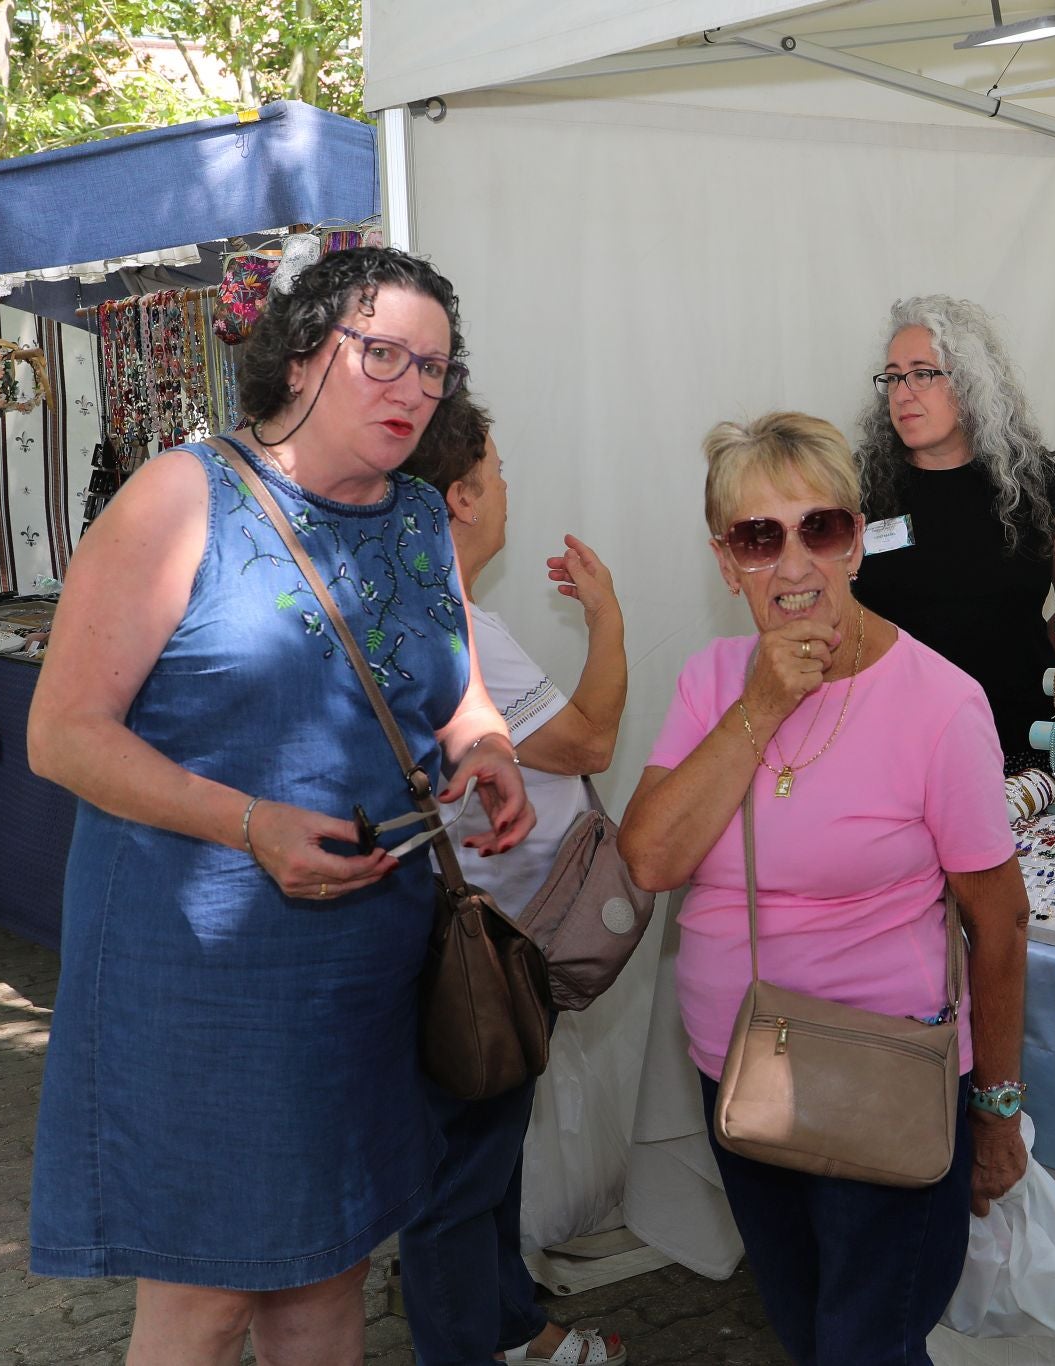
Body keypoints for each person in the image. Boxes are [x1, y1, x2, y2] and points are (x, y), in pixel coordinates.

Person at [25, 247, 536, 1365]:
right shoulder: (180, 495)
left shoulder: (414, 518)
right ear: (303, 354)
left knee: (330, 1273)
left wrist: (486, 745)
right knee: (206, 1299)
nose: (413, 389)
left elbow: (456, 692)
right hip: (199, 970)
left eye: (434, 370)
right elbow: (61, 734)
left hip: (365, 967)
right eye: (384, 356)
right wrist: (247, 824)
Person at [617, 411, 1031, 1365]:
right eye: (762, 537)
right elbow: (650, 860)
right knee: (810, 1336)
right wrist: (759, 710)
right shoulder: (713, 679)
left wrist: (998, 1109)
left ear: (858, 541)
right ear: (728, 562)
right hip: (743, 1075)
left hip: (887, 1080)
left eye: (823, 528)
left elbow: (999, 926)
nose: (795, 563)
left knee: (862, 1347)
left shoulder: (939, 702)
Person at [397, 397, 630, 1366]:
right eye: (497, 472)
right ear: (461, 497)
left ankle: (513, 1330)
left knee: (486, 1150)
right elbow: (589, 738)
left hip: (497, 939)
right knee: (459, 1175)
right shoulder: (455, 624)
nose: (507, 491)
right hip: (477, 945)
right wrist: (609, 616)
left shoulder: (439, 612)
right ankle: (473, 1341)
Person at [852, 295, 1055, 774]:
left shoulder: (1036, 487)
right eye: (893, 377)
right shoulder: (860, 492)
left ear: (969, 383)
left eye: (922, 373)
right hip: (893, 748)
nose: (903, 392)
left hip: (1018, 741)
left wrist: (1016, 659)